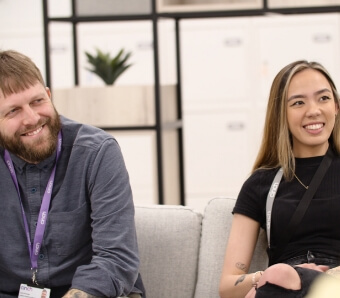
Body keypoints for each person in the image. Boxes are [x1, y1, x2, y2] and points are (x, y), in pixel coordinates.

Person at [0, 50, 145, 298]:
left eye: (37, 101)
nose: (32, 118)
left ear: (48, 94)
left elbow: (116, 258)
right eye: (13, 111)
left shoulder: (96, 152)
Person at [219, 60, 340, 298]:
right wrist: (265, 276)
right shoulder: (261, 184)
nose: (313, 110)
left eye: (323, 98)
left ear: (336, 106)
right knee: (274, 283)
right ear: (281, 114)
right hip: (284, 287)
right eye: (298, 102)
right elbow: (227, 286)